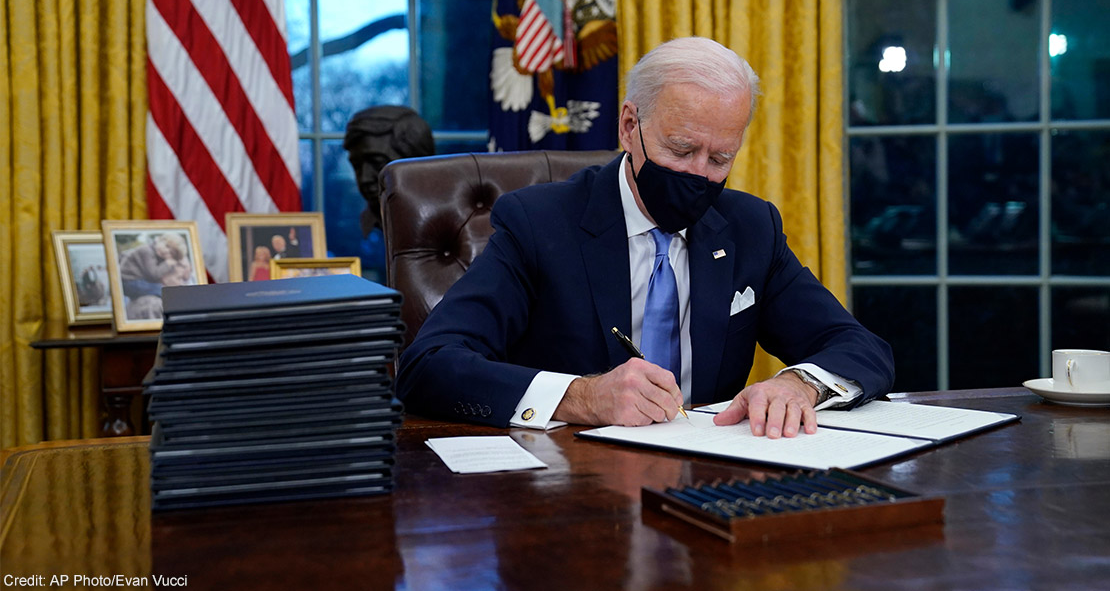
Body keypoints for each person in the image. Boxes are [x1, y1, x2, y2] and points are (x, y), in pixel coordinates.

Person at [395, 37, 895, 439]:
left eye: (720, 158)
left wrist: (799, 383)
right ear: (630, 126)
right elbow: (428, 366)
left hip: (709, 482)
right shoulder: (538, 223)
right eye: (680, 150)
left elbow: (859, 346)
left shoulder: (749, 228)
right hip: (569, 491)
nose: (699, 174)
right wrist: (581, 397)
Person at [343, 105, 435, 235]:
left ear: (416, 164)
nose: (364, 178)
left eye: (377, 163)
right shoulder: (351, 231)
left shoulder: (451, 226)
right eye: (357, 166)